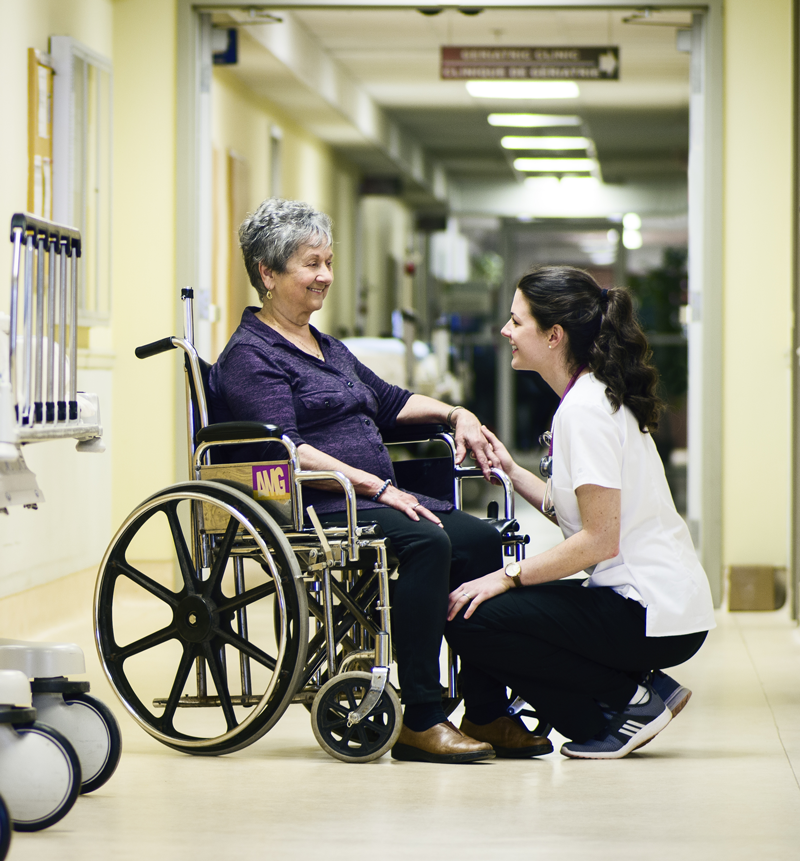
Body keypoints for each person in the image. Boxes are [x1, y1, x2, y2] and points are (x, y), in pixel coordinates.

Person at [208, 198, 549, 763]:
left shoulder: (327, 346)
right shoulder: (250, 356)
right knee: (425, 541)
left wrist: (455, 414)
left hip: (371, 499)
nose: (325, 277)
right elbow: (285, 450)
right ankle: (420, 717)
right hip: (312, 506)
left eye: (328, 262)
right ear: (267, 274)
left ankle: (486, 709)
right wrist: (375, 486)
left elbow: (389, 401)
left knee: (483, 542)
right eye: (310, 264)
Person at [445, 265, 716, 759]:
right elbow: (572, 508)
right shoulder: (590, 398)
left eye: (516, 321)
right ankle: (638, 690)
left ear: (553, 335)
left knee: (474, 618)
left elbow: (597, 541)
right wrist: (510, 469)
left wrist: (506, 576)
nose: (505, 331)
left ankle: (627, 700)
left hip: (645, 610)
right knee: (496, 609)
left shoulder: (584, 411)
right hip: (662, 605)